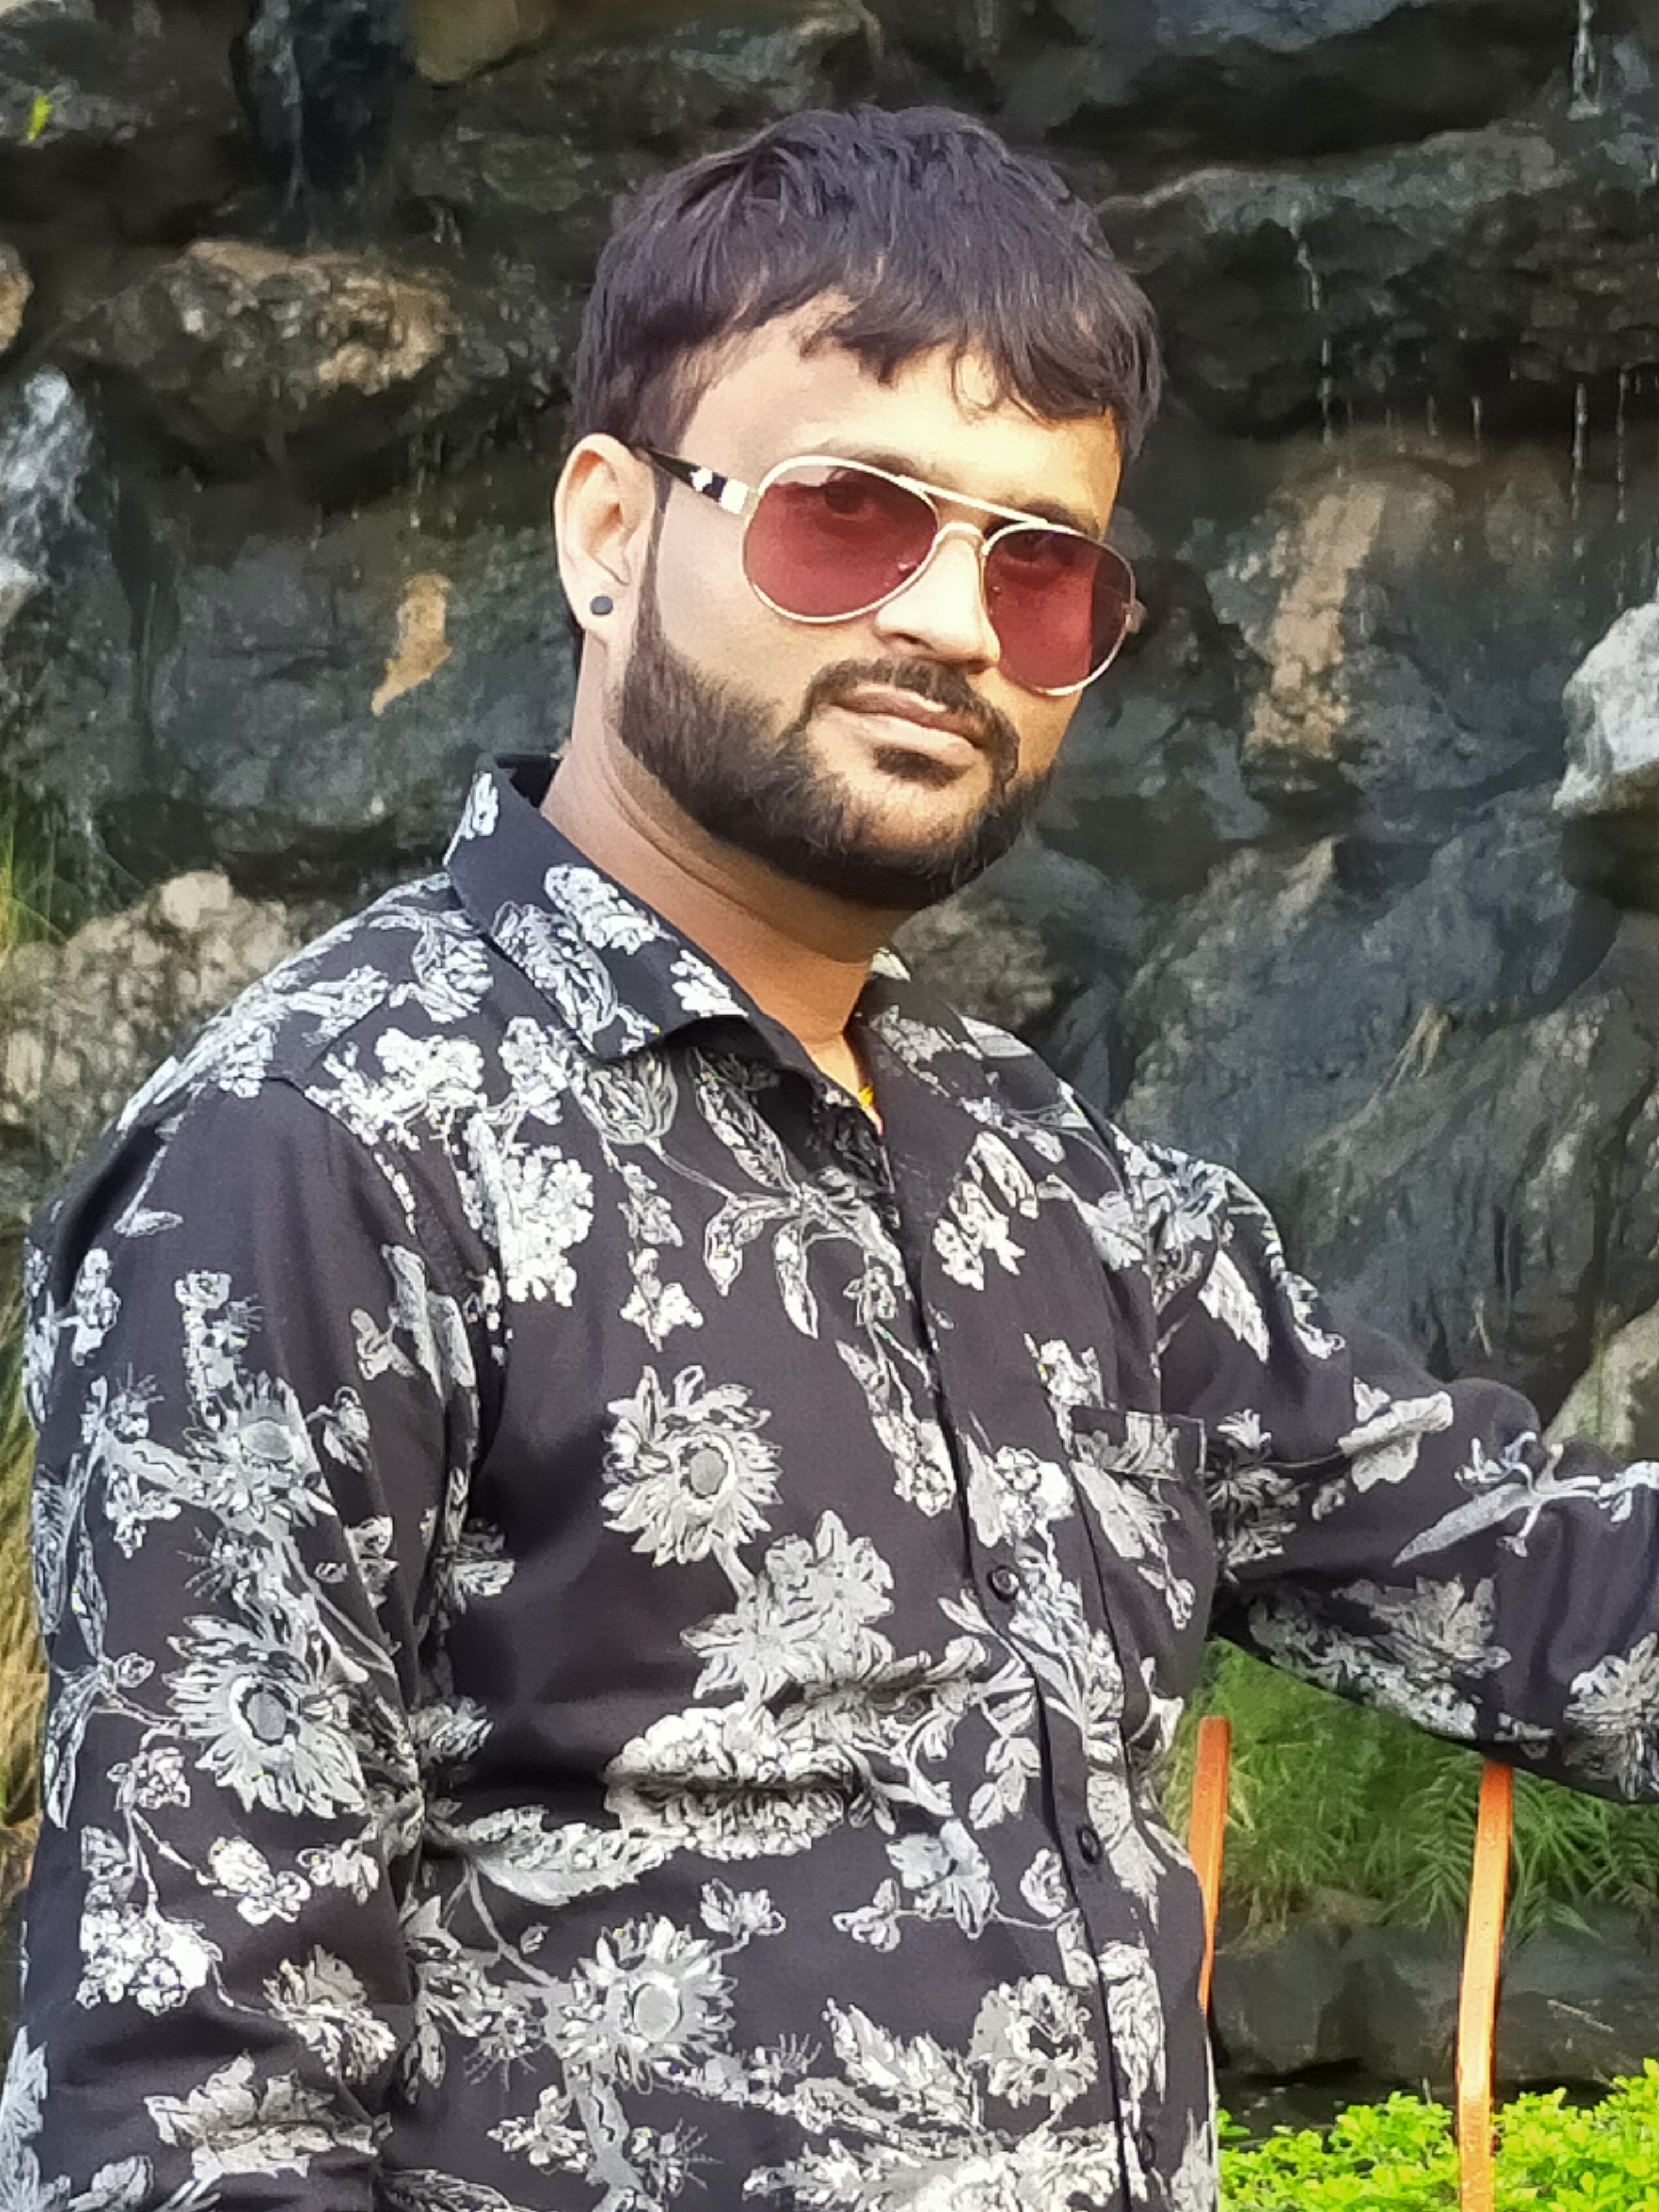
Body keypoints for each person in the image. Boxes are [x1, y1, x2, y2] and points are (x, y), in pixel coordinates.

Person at [5, 105, 1657, 2212]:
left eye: (1038, 565)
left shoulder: (1044, 1180)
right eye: (848, 517)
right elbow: (184, 2117)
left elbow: (1543, 1587)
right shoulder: (321, 1152)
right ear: (611, 531)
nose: (955, 622)